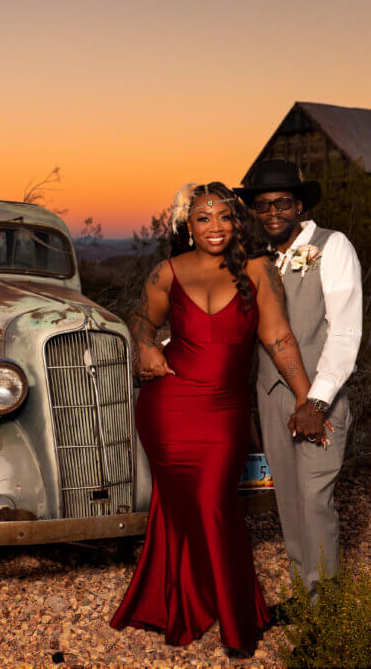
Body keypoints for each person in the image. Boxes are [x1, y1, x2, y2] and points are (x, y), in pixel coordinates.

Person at [110, 181, 318, 656]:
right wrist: (145, 348)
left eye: (223, 216)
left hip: (223, 410)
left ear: (236, 219)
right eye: (203, 218)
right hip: (168, 408)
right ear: (188, 225)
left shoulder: (258, 269)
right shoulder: (166, 272)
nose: (215, 227)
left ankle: (227, 612)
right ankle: (196, 603)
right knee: (184, 505)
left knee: (212, 502)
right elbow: (142, 321)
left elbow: (278, 336)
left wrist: (308, 400)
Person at [234, 159, 362, 606]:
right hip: (270, 399)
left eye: (282, 203)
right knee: (287, 501)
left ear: (300, 205)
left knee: (315, 501)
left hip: (317, 402)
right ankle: (302, 600)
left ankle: (324, 606)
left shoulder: (333, 246)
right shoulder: (254, 260)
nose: (272, 213)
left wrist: (319, 401)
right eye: (263, 205)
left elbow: (346, 331)